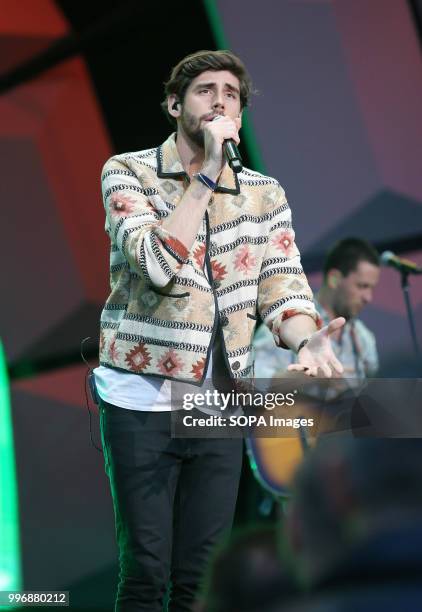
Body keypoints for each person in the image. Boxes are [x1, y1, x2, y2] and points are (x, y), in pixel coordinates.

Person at [94, 50, 345, 612]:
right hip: (141, 396)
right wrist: (206, 173)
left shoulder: (264, 193)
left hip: (219, 403)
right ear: (174, 104)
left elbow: (282, 285)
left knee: (201, 576)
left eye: (231, 94)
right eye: (206, 90)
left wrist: (307, 338)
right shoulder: (128, 171)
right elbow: (157, 265)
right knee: (147, 570)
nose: (220, 101)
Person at [254, 238, 380, 383]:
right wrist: (305, 378)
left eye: (371, 288)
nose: (368, 297)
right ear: (334, 279)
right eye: (362, 286)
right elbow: (252, 382)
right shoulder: (286, 321)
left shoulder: (363, 338)